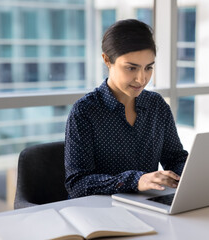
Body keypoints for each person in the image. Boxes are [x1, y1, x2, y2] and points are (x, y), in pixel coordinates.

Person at [64, 19, 188, 198]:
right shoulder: (85, 111)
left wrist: (191, 173)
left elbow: (175, 158)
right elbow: (77, 184)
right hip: (98, 211)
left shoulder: (156, 105)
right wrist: (136, 180)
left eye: (148, 68)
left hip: (147, 205)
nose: (142, 79)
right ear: (107, 60)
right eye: (131, 68)